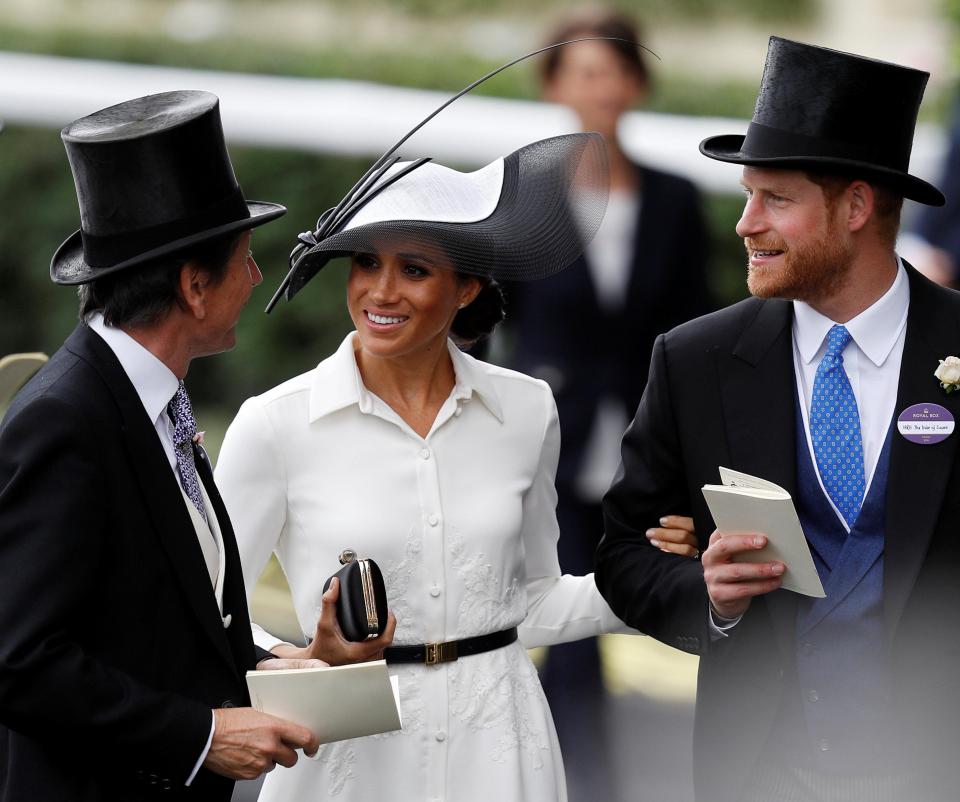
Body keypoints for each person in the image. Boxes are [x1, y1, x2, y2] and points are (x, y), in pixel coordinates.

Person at [215, 132, 697, 801]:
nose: (381, 292)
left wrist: (655, 572)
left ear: (467, 288)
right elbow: (209, 612)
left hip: (501, 754)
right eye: (365, 262)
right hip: (349, 763)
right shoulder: (275, 424)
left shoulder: (528, 411)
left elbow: (530, 599)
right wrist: (302, 662)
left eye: (414, 269)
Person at [596, 36, 960, 802]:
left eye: (776, 199)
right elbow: (625, 552)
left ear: (857, 206)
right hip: (759, 772)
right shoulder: (695, 360)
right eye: (746, 195)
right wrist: (710, 594)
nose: (745, 223)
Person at [0, 91, 325, 802]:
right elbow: (19, 661)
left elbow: (163, 615)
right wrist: (202, 734)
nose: (258, 278)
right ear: (194, 287)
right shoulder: (66, 421)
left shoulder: (154, 402)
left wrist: (277, 666)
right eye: (245, 260)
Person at [502, 12, 712, 796]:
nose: (598, 88)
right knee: (566, 608)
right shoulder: (525, 196)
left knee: (611, 595)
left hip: (639, 432)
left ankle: (576, 772)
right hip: (549, 429)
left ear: (636, 82)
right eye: (580, 73)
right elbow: (495, 317)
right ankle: (578, 775)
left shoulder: (673, 198)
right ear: (554, 86)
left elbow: (695, 318)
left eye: (610, 70)